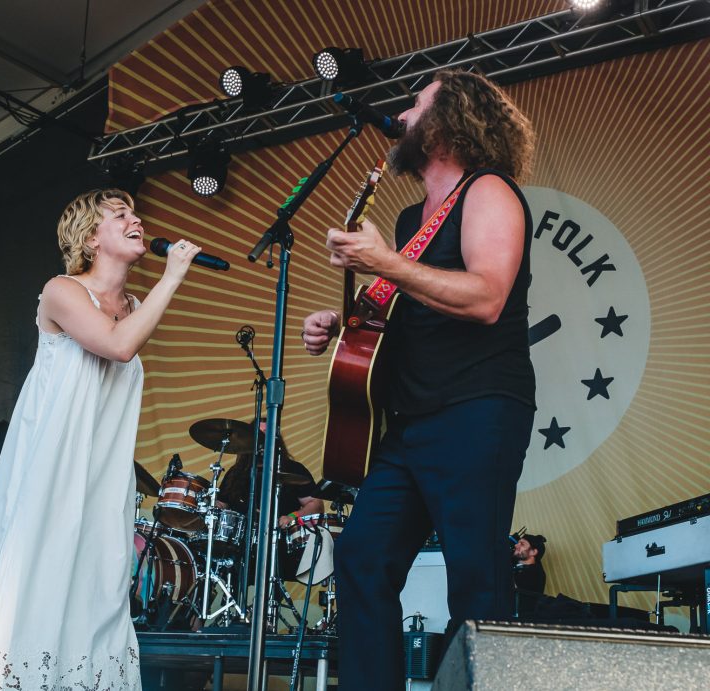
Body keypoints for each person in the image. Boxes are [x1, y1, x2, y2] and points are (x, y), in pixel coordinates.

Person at [301, 69, 536, 690]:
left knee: (476, 578)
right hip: (408, 422)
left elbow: (486, 296)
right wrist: (347, 323)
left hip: (478, 407)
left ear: (449, 121)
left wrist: (382, 260)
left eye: (418, 102)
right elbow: (409, 311)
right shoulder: (410, 219)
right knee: (361, 558)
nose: (404, 113)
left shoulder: (489, 191)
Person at [0, 189, 200, 690]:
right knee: (34, 586)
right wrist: (172, 274)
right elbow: (118, 345)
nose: (138, 221)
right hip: (49, 473)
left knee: (96, 595)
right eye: (121, 216)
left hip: (101, 480)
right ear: (91, 238)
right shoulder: (61, 291)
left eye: (135, 213)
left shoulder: (132, 303)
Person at [217, 421, 323, 579]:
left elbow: (316, 504)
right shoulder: (236, 473)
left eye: (267, 432)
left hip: (278, 543)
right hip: (240, 545)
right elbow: (221, 503)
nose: (262, 437)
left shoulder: (293, 469)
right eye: (258, 433)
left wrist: (293, 517)